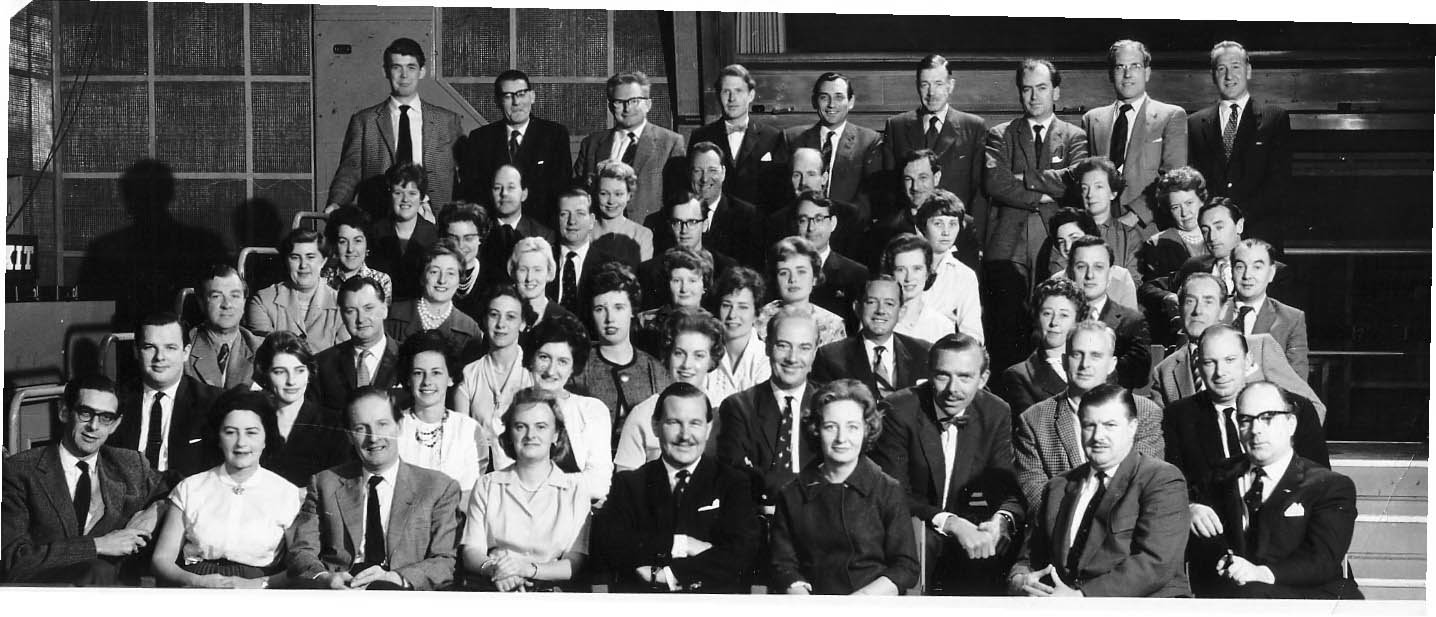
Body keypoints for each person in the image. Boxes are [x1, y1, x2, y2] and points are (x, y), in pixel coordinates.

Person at [870, 334, 1020, 595]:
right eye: (943, 376)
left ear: (983, 379)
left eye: (965, 377)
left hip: (972, 537)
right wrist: (951, 523)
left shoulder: (996, 411)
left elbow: (1006, 488)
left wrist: (1000, 520)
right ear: (929, 374)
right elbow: (894, 493)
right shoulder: (898, 409)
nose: (953, 389)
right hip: (914, 530)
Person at [1008, 384, 1191, 597]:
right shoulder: (1058, 486)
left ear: (1132, 427)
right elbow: (1028, 558)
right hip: (1062, 605)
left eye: (1110, 425)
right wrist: (1021, 580)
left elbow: (1155, 563)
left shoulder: (1161, 479)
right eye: (1089, 426)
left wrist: (1081, 597)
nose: (1098, 436)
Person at [1187, 382, 1361, 599]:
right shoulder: (1219, 475)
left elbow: (1322, 561)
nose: (1256, 430)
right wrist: (1190, 509)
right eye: (1246, 420)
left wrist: (1261, 573)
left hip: (1306, 600)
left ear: (1291, 424)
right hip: (1236, 601)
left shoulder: (1329, 486)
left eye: (1267, 417)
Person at [287, 387, 461, 591]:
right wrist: (325, 578)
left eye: (382, 424)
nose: (373, 437)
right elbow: (301, 551)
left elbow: (444, 561)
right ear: (349, 436)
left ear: (399, 426)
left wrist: (394, 578)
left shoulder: (438, 487)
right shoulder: (325, 483)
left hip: (402, 594)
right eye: (361, 428)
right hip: (341, 594)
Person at [596, 382, 762, 593]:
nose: (685, 435)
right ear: (655, 426)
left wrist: (667, 575)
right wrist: (684, 544)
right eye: (674, 422)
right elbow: (614, 547)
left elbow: (742, 553)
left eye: (695, 423)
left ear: (708, 428)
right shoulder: (630, 485)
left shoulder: (733, 483)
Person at [2, 375, 167, 585]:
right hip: (49, 592)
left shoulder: (130, 465)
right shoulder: (19, 471)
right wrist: (97, 545)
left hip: (116, 593)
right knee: (97, 570)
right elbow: (12, 559)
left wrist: (156, 510)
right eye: (85, 413)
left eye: (106, 418)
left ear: (115, 424)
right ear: (64, 411)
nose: (94, 426)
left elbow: (180, 487)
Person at [982, 59, 1088, 367]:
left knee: (1051, 319)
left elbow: (1074, 181)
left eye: (1041, 88)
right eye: (1027, 89)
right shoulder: (1001, 134)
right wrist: (1044, 192)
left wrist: (1023, 178)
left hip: (1052, 237)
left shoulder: (1074, 135)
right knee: (1006, 324)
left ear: (1055, 92)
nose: (1034, 96)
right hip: (1008, 240)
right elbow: (995, 182)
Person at [772, 379, 919, 595]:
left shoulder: (888, 490)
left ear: (866, 430)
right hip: (811, 605)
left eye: (852, 427)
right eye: (831, 427)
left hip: (872, 604)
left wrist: (860, 601)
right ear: (816, 429)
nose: (842, 438)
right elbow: (783, 564)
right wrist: (804, 601)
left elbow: (906, 566)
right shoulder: (792, 493)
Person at [149, 390, 304, 588]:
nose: (241, 443)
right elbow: (161, 560)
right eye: (230, 432)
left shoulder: (287, 493)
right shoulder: (190, 488)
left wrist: (259, 584)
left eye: (251, 432)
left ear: (266, 437)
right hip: (196, 587)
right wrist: (198, 581)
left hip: (259, 591)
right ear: (218, 437)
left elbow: (301, 566)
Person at [1163, 325, 1329, 499]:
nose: (1220, 372)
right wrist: (1193, 508)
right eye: (1209, 362)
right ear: (1198, 365)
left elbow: (1321, 483)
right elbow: (1174, 488)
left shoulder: (1294, 408)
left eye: (1230, 360)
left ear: (1248, 360)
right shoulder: (1177, 417)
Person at [1013, 321, 1164, 510]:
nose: (1085, 365)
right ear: (1065, 361)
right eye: (1077, 355)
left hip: (1126, 524)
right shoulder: (1033, 420)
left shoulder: (1145, 412)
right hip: (1061, 525)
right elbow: (1038, 500)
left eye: (1096, 356)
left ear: (1111, 365)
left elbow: (1143, 486)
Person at [460, 388, 592, 591]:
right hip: (496, 588)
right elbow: (471, 551)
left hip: (553, 594)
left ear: (556, 434)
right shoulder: (487, 485)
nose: (531, 435)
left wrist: (528, 569)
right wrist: (494, 570)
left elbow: (574, 562)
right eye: (520, 427)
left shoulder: (576, 490)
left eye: (541, 427)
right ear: (510, 434)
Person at [1149, 273, 1324, 419]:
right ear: (1179, 308)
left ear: (1224, 309)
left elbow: (1313, 408)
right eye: (1190, 301)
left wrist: (1279, 446)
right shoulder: (1165, 370)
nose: (1198, 311)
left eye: (1208, 301)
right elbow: (1160, 432)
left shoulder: (1260, 348)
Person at [326, 37, 461, 215]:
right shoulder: (364, 121)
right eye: (397, 67)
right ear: (386, 71)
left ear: (422, 72)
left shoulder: (447, 120)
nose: (404, 75)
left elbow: (463, 175)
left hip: (434, 217)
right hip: (380, 217)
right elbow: (350, 171)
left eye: (411, 67)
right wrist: (336, 203)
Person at [1187, 41, 1291, 247]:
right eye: (1221, 68)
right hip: (1212, 236)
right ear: (1212, 75)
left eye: (1235, 67)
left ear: (1248, 71)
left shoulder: (1274, 118)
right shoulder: (1195, 123)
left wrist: (1236, 220)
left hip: (1259, 233)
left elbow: (1278, 184)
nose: (1229, 76)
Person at [717, 307, 821, 503]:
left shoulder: (828, 406)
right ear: (767, 347)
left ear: (814, 353)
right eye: (783, 346)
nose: (792, 358)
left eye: (804, 348)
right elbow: (738, 478)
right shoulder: (738, 408)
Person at [1081, 39, 1188, 229]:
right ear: (1110, 74)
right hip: (1099, 226)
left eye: (1135, 66)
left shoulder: (1171, 116)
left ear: (1147, 73)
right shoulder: (1092, 119)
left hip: (1148, 227)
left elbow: (1172, 177)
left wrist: (1134, 215)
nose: (1127, 74)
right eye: (1120, 67)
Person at [569, 262, 671, 450]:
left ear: (632, 310)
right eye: (600, 309)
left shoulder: (655, 370)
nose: (610, 319)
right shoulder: (577, 369)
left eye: (618, 307)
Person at [516, 315, 615, 502]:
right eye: (544, 357)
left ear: (573, 368)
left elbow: (599, 484)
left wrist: (536, 486)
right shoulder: (511, 409)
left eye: (562, 361)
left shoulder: (592, 410)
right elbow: (510, 482)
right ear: (531, 360)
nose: (551, 371)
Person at [614, 307, 726, 470]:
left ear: (711, 360)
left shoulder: (724, 413)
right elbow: (624, 480)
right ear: (668, 355)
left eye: (699, 355)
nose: (687, 364)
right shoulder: (643, 414)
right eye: (679, 353)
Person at [881, 54, 986, 227]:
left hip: (954, 230)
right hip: (909, 231)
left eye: (938, 84)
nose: (931, 93)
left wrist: (972, 231)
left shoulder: (973, 127)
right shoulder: (896, 126)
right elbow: (889, 190)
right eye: (925, 85)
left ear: (951, 86)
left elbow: (979, 192)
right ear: (917, 86)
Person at [457, 69, 572, 227]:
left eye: (521, 94)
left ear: (532, 96)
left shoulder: (554, 135)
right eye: (508, 96)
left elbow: (562, 190)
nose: (516, 102)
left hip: (541, 230)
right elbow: (473, 194)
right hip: (493, 230)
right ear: (498, 101)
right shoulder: (480, 138)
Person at [114, 312, 221, 480]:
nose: (160, 357)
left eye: (170, 348)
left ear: (186, 352)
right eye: (149, 347)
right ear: (136, 351)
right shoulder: (116, 400)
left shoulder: (213, 402)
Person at [574, 70, 686, 225]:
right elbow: (577, 194)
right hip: (599, 232)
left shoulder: (670, 143)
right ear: (610, 106)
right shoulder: (591, 143)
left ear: (648, 104)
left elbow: (678, 199)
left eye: (634, 101)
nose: (627, 108)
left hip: (650, 232)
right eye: (619, 102)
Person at [396, 332, 487, 505]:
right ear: (408, 379)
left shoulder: (468, 429)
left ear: (451, 378)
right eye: (418, 373)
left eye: (436, 373)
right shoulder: (395, 426)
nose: (427, 381)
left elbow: (469, 494)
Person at [253, 333, 350, 487]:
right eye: (280, 372)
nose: (291, 381)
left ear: (309, 372)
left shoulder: (333, 424)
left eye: (299, 371)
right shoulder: (251, 419)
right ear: (265, 374)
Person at [779, 71, 882, 216]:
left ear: (851, 102)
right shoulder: (791, 139)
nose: (831, 104)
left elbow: (867, 201)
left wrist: (832, 223)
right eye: (824, 97)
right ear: (814, 102)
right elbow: (782, 195)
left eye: (839, 97)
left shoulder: (868, 141)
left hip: (848, 225)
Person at [812, 275, 931, 400]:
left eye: (889, 304)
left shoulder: (923, 352)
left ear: (901, 312)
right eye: (871, 302)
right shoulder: (830, 357)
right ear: (857, 308)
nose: (880, 310)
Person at [646, 141, 763, 268]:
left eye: (712, 170)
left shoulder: (748, 217)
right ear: (688, 173)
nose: (705, 178)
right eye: (697, 171)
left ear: (723, 173)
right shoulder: (660, 220)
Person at [689, 64, 787, 206]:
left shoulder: (772, 137)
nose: (732, 98)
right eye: (726, 92)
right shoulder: (701, 136)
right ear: (718, 95)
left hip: (758, 218)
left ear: (751, 95)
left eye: (738, 91)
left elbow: (780, 192)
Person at [871, 150, 982, 274]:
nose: (915, 187)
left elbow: (970, 276)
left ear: (936, 177)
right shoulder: (885, 229)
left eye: (923, 177)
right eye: (908, 179)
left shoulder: (964, 225)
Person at [243, 228, 348, 353]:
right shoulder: (262, 301)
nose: (303, 265)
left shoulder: (342, 304)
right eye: (295, 257)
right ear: (286, 261)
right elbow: (265, 355)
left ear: (323, 261)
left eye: (310, 257)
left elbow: (343, 359)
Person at [1138, 167, 1211, 344]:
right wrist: (1167, 297)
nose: (1185, 213)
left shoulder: (1218, 236)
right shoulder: (1158, 243)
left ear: (1201, 200)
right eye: (1176, 207)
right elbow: (1148, 289)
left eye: (1189, 203)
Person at [310, 276, 404, 414]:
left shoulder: (408, 357)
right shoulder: (322, 364)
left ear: (384, 310)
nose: (361, 319)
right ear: (342, 315)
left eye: (368, 308)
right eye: (351, 311)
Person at [1067, 235, 1151, 388]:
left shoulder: (1132, 321)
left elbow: (1139, 375)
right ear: (1070, 272)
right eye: (1081, 266)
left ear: (1110, 274)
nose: (1090, 275)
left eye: (1098, 267)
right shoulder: (1057, 318)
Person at [995, 277, 1086, 414]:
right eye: (1047, 313)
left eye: (1064, 315)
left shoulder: (1094, 365)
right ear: (1037, 317)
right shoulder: (1019, 376)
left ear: (1077, 321)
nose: (1054, 322)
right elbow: (1032, 423)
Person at [454, 284, 535, 437]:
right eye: (494, 315)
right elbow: (461, 438)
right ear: (485, 319)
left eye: (510, 317)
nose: (500, 324)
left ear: (523, 323)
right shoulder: (469, 374)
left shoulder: (534, 373)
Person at [384, 239, 483, 363]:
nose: (442, 280)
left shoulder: (469, 329)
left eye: (450, 273)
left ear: (459, 280)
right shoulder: (393, 315)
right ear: (422, 277)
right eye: (434, 272)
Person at [637, 195, 739, 310]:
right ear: (670, 226)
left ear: (705, 225)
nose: (684, 230)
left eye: (692, 222)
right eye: (677, 222)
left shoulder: (726, 268)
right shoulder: (649, 271)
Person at [787, 189, 869, 330]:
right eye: (803, 220)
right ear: (795, 225)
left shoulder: (856, 274)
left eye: (818, 219)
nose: (811, 228)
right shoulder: (784, 271)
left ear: (833, 223)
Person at [1232, 238, 1309, 379]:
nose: (1247, 275)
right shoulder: (1214, 312)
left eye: (1257, 267)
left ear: (1271, 273)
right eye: (1240, 267)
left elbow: (1297, 381)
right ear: (1231, 271)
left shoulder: (1291, 319)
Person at [754, 236, 848, 348]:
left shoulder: (833, 325)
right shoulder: (758, 319)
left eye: (801, 272)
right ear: (775, 279)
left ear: (815, 278)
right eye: (784, 273)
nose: (793, 279)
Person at [914, 190, 984, 341]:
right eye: (938, 223)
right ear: (922, 227)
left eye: (952, 224)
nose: (946, 232)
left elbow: (972, 332)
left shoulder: (964, 275)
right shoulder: (905, 265)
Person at [880, 233, 973, 344]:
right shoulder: (878, 321)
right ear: (891, 273)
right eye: (901, 269)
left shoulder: (942, 326)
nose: (909, 278)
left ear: (927, 272)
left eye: (917, 269)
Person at [1041, 207, 1140, 310]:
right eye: (1061, 241)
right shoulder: (1056, 282)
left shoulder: (1120, 278)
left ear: (1091, 237)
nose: (1067, 247)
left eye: (1074, 238)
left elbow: (1129, 318)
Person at [368, 163, 439, 302]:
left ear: (421, 198)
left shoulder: (433, 235)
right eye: (398, 193)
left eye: (412, 193)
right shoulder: (374, 232)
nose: (405, 199)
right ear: (390, 195)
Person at [186, 264, 264, 390]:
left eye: (235, 296)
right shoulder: (184, 350)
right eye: (216, 296)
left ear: (244, 301)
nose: (227, 304)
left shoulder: (263, 350)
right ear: (201, 302)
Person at [480, 163, 558, 278]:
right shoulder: (479, 231)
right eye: (497, 188)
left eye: (511, 187)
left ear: (524, 194)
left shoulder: (543, 235)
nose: (504, 193)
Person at [708, 266, 772, 403]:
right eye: (726, 305)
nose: (732, 315)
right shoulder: (706, 354)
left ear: (756, 314)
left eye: (742, 307)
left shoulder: (766, 359)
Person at [635, 246, 716, 354]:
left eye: (692, 281)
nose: (684, 289)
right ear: (667, 283)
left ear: (704, 286)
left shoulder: (714, 326)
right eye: (677, 281)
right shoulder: (644, 322)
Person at [1073, 157, 1145, 278]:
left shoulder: (1130, 236)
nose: (1090, 194)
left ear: (1113, 193)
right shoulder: (1068, 232)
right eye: (1084, 188)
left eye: (1098, 187)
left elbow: (1133, 282)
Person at [549, 188, 618, 315]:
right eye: (564, 214)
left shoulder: (609, 265)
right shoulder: (543, 258)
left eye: (580, 213)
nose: (572, 221)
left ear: (591, 221)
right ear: (556, 219)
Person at [322, 205, 395, 307]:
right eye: (343, 241)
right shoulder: (323, 278)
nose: (350, 249)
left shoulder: (381, 280)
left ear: (367, 244)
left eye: (357, 241)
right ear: (335, 245)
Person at [508, 235, 578, 337]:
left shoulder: (565, 321)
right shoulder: (502, 316)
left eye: (537, 270)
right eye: (523, 270)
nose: (529, 278)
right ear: (514, 272)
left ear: (549, 272)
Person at [590, 160, 655, 264]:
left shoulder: (642, 234)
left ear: (629, 195)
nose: (611, 201)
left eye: (618, 194)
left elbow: (644, 272)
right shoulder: (585, 231)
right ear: (595, 194)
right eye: (604, 193)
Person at [436, 201, 493, 319]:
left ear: (480, 238)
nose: (460, 246)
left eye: (468, 238)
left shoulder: (493, 280)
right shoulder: (433, 275)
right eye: (453, 238)